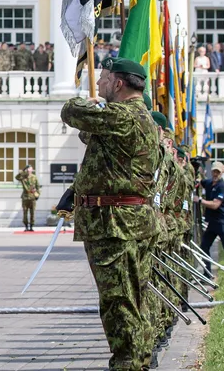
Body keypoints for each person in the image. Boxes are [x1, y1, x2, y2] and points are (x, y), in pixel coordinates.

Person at [60, 57, 161, 371]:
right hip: (125, 221)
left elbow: (71, 112)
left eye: (102, 78)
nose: (99, 83)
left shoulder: (124, 115)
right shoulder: (133, 117)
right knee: (133, 296)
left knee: (119, 300)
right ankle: (137, 360)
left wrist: (87, 103)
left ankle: (129, 363)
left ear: (118, 83)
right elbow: (90, 135)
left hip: (115, 223)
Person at [195, 161, 224, 278]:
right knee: (204, 246)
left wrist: (199, 200)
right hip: (212, 223)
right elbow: (200, 182)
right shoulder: (210, 183)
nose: (215, 174)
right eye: (214, 171)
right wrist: (196, 173)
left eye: (218, 172)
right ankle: (207, 273)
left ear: (222, 172)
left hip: (222, 223)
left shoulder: (223, 186)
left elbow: (215, 205)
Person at [15, 166, 39, 232]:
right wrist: (22, 171)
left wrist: (37, 195)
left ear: (32, 170)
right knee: (25, 212)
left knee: (32, 213)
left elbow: (37, 186)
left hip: (32, 197)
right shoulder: (23, 177)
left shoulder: (34, 177)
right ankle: (26, 226)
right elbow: (16, 177)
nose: (28, 170)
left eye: (30, 169)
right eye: (27, 169)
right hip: (25, 197)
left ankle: (31, 226)